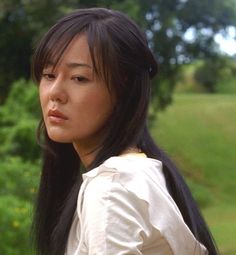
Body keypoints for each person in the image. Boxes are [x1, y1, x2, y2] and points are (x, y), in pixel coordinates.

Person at [32, 7, 218, 255]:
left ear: (123, 90)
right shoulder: (142, 171)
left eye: (79, 78)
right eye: (49, 74)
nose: (55, 92)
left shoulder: (111, 189)